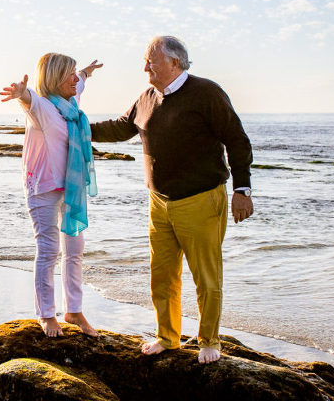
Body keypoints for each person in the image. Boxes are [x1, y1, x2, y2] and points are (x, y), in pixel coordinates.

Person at [90, 36, 253, 364]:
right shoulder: (147, 97)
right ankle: (167, 337)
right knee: (162, 275)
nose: (145, 67)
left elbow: (237, 139)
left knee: (206, 276)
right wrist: (78, 127)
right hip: (159, 202)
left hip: (201, 200)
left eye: (151, 61)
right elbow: (121, 127)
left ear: (174, 62)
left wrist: (242, 190)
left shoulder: (206, 93)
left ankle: (209, 341)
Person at [1, 52, 103, 337]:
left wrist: (86, 71)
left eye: (74, 73)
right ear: (55, 78)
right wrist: (21, 94)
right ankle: (46, 314)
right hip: (43, 188)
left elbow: (80, 81)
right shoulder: (44, 107)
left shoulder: (70, 104)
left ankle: (74, 311)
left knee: (75, 250)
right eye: (69, 74)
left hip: (70, 188)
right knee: (48, 250)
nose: (74, 79)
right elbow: (30, 101)